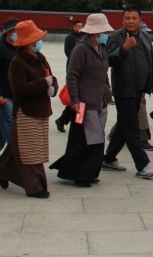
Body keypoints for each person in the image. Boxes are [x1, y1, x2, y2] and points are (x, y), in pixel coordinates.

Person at [0, 21, 58, 198]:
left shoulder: (40, 58)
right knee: (31, 151)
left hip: (42, 109)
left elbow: (51, 78)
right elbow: (19, 89)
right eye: (36, 39)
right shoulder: (18, 62)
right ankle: (35, 186)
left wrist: (53, 88)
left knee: (20, 146)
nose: (39, 42)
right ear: (29, 42)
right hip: (26, 111)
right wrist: (43, 84)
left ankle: (1, 169)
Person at [50, 14, 115, 186]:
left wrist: (107, 93)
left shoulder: (101, 48)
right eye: (104, 31)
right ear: (95, 31)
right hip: (85, 102)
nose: (106, 34)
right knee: (89, 139)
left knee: (96, 139)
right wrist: (75, 99)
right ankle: (80, 174)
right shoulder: (81, 48)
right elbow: (72, 75)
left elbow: (104, 73)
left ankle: (89, 172)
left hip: (100, 100)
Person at [102, 5, 153, 179]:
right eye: (127, 18)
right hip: (123, 90)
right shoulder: (115, 37)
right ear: (122, 20)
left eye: (134, 18)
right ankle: (142, 164)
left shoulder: (144, 37)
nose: (131, 21)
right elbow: (107, 60)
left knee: (124, 125)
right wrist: (124, 48)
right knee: (132, 127)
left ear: (140, 20)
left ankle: (108, 158)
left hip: (139, 89)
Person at [0, 17, 20, 161]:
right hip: (3, 95)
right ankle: (16, 156)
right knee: (9, 124)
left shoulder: (18, 47)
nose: (16, 33)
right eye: (13, 31)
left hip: (15, 93)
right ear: (7, 32)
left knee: (0, 126)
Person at [56, 20, 85, 132]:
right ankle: (67, 121)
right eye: (78, 26)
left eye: (82, 26)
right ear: (73, 27)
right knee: (77, 100)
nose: (80, 28)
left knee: (80, 101)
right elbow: (68, 53)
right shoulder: (70, 38)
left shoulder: (84, 37)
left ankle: (69, 121)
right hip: (74, 70)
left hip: (84, 71)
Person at [137, 21, 153, 151]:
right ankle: (143, 139)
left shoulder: (147, 47)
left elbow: (152, 66)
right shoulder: (132, 45)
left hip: (143, 84)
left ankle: (114, 135)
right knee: (140, 111)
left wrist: (152, 83)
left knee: (131, 113)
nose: (146, 35)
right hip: (133, 86)